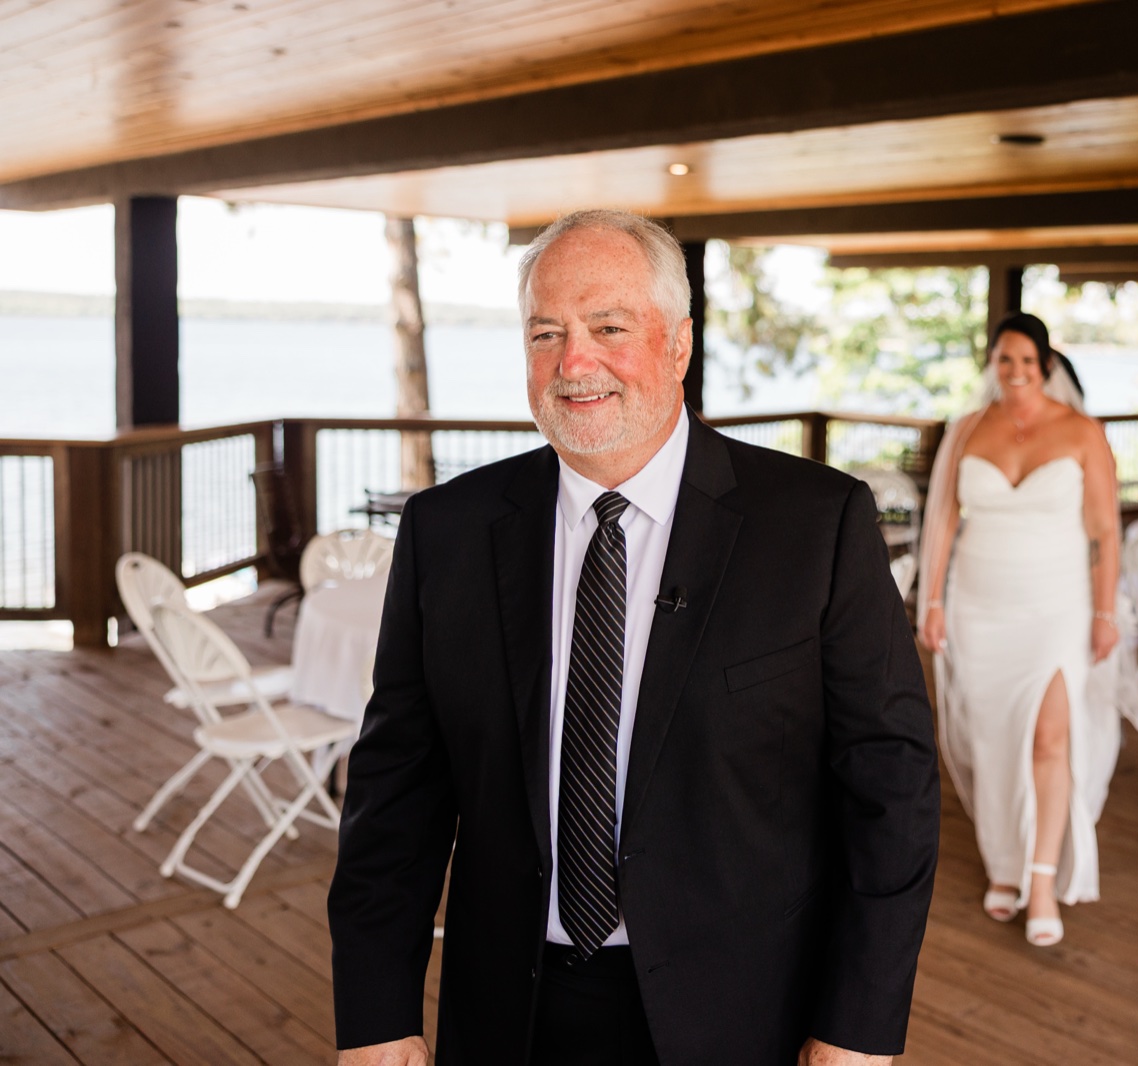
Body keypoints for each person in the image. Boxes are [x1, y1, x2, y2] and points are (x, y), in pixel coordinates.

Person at [328, 209, 941, 1065]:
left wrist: (858, 1025)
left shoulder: (815, 526)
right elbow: (396, 791)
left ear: (680, 345)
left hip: (742, 1013)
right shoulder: (448, 532)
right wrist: (376, 1010)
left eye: (608, 328)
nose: (574, 363)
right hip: (509, 1012)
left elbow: (892, 786)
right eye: (547, 333)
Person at [916, 311, 1132, 948]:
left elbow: (1105, 531)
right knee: (994, 740)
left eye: (1026, 362)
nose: (1014, 373)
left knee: (1048, 737)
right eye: (1004, 360)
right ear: (993, 364)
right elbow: (944, 524)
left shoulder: (1082, 432)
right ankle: (1003, 866)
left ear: (1046, 366)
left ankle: (1041, 879)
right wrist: (931, 602)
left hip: (1056, 605)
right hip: (980, 606)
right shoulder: (967, 430)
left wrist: (1104, 612)